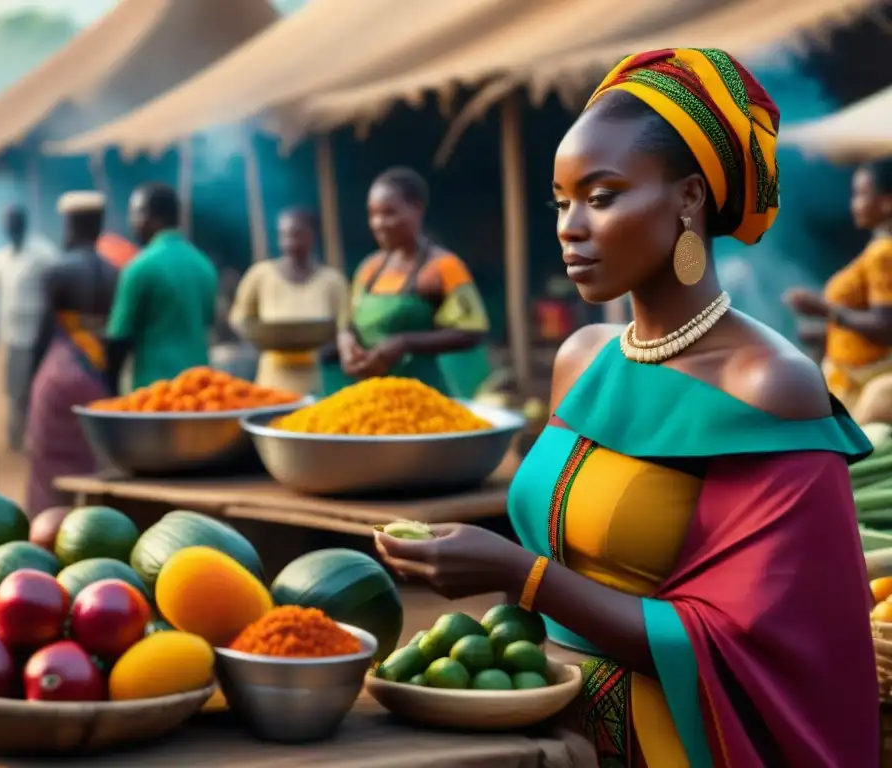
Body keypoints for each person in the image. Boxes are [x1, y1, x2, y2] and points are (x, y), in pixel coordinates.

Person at [373, 49, 878, 766]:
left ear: (689, 200)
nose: (570, 226)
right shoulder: (583, 360)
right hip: (538, 725)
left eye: (602, 196)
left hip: (667, 743)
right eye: (561, 201)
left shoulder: (767, 386)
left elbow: (753, 641)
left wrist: (520, 575)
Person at [328, 166, 490, 397]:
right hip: (368, 396)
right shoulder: (369, 268)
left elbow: (472, 331)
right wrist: (346, 342)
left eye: (389, 213)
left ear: (417, 209)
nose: (378, 223)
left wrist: (404, 342)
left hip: (422, 397)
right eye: (372, 214)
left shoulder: (443, 267)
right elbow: (349, 322)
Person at [25, 192, 117, 515]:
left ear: (69, 225)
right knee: (93, 461)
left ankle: (47, 526)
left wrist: (29, 385)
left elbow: (42, 332)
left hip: (60, 369)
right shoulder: (113, 272)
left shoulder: (58, 271)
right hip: (98, 371)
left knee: (47, 461)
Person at [784, 159, 892, 424]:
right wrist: (826, 333)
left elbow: (886, 326)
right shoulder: (876, 251)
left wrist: (825, 310)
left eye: (861, 194)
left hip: (861, 386)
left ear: (887, 202)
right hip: (846, 380)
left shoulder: (883, 254)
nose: (853, 203)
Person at [105, 184, 218, 394]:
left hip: (155, 390)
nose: (132, 223)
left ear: (155, 218)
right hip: (201, 388)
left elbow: (118, 338)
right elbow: (208, 322)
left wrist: (111, 391)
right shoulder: (204, 266)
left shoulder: (140, 267)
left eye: (136, 214)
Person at [229, 208, 350, 394]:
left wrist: (330, 348)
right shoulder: (260, 275)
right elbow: (239, 318)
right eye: (283, 235)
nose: (289, 242)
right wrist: (257, 338)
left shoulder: (333, 281)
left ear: (312, 235)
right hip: (271, 382)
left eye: (296, 235)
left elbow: (345, 328)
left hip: (318, 381)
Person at [0, 206, 56, 451]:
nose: (10, 228)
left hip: (39, 337)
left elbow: (55, 295)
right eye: (7, 224)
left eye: (14, 223)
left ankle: (37, 439)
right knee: (15, 390)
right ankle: (15, 441)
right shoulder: (0, 258)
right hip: (12, 338)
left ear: (23, 223)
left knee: (37, 390)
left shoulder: (44, 254)